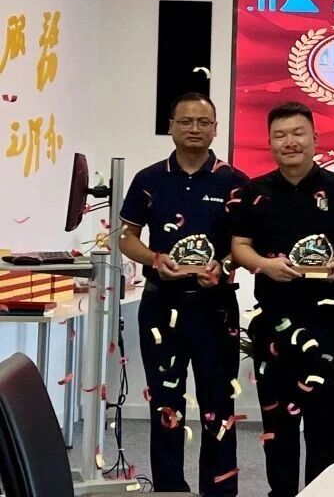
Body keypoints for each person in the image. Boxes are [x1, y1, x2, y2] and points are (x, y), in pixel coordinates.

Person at [227, 102, 334, 497]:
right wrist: (265, 266)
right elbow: (239, 246)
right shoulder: (253, 192)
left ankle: (324, 493)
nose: (290, 142)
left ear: (314, 138)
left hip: (327, 324)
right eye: (281, 135)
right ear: (270, 142)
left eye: (298, 133)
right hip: (273, 323)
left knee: (324, 421)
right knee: (278, 423)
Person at [118, 93, 247, 496]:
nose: (194, 128)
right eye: (186, 121)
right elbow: (126, 237)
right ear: (171, 126)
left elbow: (245, 244)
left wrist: (224, 265)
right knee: (165, 404)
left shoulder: (235, 182)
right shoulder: (149, 179)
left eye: (203, 122)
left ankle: (219, 490)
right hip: (162, 306)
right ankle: (169, 489)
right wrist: (155, 259)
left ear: (215, 129)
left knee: (218, 404)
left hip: (216, 307)